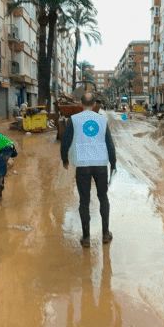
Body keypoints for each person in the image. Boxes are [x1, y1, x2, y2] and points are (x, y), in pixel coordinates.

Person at [61, 91, 117, 247]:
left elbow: (65, 141)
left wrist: (64, 159)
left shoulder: (74, 119)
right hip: (100, 165)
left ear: (80, 104)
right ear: (94, 105)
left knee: (84, 201)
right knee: (103, 197)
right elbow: (109, 143)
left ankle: (86, 238)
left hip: (83, 165)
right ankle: (105, 234)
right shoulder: (102, 120)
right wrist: (113, 162)